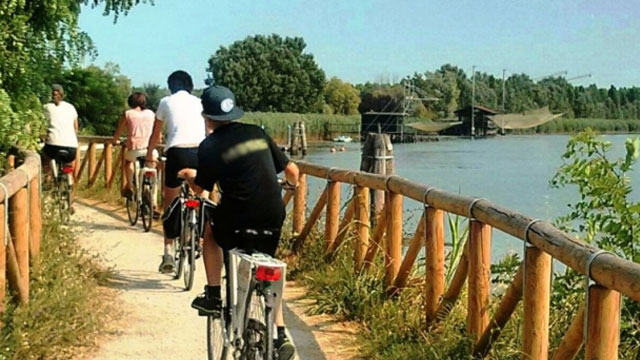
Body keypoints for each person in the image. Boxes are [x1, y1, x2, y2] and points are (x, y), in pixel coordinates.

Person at [178, 85, 298, 360]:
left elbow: (201, 188)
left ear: (206, 116)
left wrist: (188, 176)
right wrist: (291, 187)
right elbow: (292, 170)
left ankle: (212, 294)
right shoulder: (257, 133)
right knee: (268, 263)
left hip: (236, 218)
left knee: (210, 232)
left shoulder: (210, 145)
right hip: (272, 215)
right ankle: (280, 336)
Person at [145, 71, 205, 273]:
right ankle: (200, 237)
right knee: (203, 194)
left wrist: (149, 154)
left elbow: (156, 133)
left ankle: (168, 252)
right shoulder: (200, 102)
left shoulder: (165, 102)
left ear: (171, 87)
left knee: (170, 203)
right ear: (191, 86)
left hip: (177, 153)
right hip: (200, 151)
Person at [112, 92, 158, 201]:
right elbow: (157, 132)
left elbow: (118, 131)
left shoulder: (128, 114)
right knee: (153, 171)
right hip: (150, 150)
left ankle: (130, 186)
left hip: (134, 150)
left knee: (128, 162)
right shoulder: (151, 114)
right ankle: (154, 202)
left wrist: (115, 141)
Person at [42, 84, 79, 191]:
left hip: (52, 146)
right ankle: (70, 183)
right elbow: (76, 128)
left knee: (45, 157)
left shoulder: (46, 107)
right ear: (63, 95)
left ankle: (47, 181)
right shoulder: (71, 107)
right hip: (71, 146)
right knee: (68, 165)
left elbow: (41, 125)